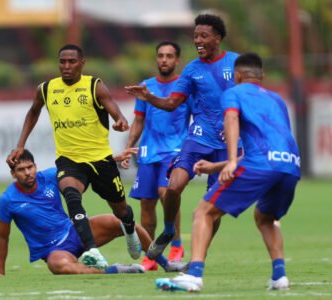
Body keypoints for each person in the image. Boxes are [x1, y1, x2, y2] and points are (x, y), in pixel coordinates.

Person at [155, 53, 301, 292]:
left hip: (259, 165)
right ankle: (279, 276)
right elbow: (273, 145)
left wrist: (231, 160)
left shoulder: (233, 92)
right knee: (266, 218)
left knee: (204, 212)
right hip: (291, 164)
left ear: (238, 76)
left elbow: (231, 118)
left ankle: (193, 275)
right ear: (262, 77)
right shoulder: (277, 100)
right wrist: (215, 167)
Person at [6, 44, 140, 270]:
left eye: (71, 61)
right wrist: (20, 145)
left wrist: (120, 119)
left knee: (121, 210)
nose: (66, 66)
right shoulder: (47, 89)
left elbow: (113, 107)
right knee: (71, 194)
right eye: (62, 62)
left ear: (82, 63)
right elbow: (33, 112)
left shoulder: (93, 86)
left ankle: (129, 230)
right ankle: (92, 250)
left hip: (100, 160)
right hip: (69, 159)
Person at [125, 14, 241, 259]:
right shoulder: (191, 70)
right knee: (173, 186)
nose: (198, 40)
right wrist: (150, 98)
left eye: (204, 36)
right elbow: (171, 103)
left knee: (213, 206)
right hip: (198, 139)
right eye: (195, 35)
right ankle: (168, 231)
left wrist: (239, 122)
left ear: (217, 38)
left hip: (228, 144)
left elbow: (250, 96)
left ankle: (200, 256)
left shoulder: (235, 63)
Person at [0, 149, 187, 275]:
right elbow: (3, 237)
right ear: (13, 174)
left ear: (35, 166)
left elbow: (83, 166)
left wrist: (113, 159)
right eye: (21, 170)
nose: (27, 172)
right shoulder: (7, 200)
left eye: (30, 167)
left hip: (75, 231)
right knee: (58, 267)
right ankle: (115, 270)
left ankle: (166, 263)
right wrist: (0, 272)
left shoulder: (49, 176)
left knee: (122, 221)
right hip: (53, 250)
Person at [122, 41, 191, 270]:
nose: (164, 59)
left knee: (167, 192)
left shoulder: (185, 86)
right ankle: (152, 256)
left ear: (177, 60)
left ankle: (177, 243)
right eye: (160, 55)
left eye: (169, 56)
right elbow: (139, 120)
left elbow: (198, 115)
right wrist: (129, 146)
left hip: (174, 150)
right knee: (147, 205)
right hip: (148, 153)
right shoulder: (146, 86)